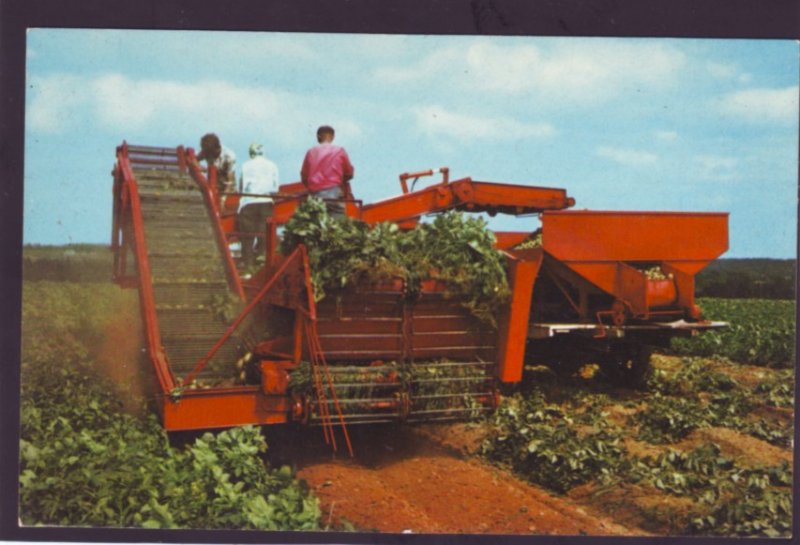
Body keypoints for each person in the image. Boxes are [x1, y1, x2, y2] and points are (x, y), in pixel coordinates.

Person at [238, 143, 279, 270]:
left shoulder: (245, 165)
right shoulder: (272, 165)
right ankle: (262, 261)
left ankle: (248, 265)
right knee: (265, 234)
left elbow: (241, 187)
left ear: (251, 153)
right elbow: (275, 188)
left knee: (247, 236)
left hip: (248, 202)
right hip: (266, 202)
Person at [300, 125, 354, 217]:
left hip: (315, 195)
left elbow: (304, 176)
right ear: (333, 137)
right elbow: (349, 173)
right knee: (338, 222)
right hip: (334, 193)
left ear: (318, 137)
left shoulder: (311, 152)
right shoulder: (339, 151)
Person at [197, 133, 236, 199]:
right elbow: (195, 160)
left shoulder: (229, 156)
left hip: (227, 190)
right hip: (211, 188)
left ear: (217, 149)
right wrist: (199, 168)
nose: (210, 156)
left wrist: (224, 198)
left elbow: (230, 182)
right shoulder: (207, 151)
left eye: (211, 154)